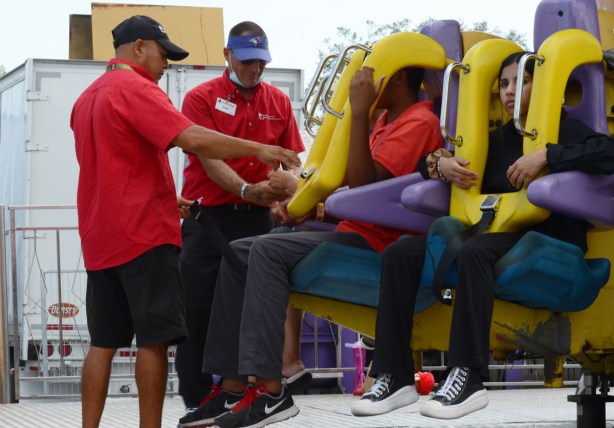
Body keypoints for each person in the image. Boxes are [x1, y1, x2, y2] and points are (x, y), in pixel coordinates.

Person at [350, 51, 614, 420]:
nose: (508, 92)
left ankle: (468, 377)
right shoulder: (495, 139)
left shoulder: (563, 128)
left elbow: (607, 152)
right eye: (503, 84)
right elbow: (425, 165)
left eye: (520, 82)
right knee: (402, 253)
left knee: (475, 251)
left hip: (549, 239)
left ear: (544, 88)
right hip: (495, 234)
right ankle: (394, 375)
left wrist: (547, 157)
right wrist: (439, 164)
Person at [178, 63, 444, 428]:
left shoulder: (418, 122)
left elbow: (365, 186)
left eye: (373, 75)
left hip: (378, 242)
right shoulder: (385, 123)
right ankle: (234, 386)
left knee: (266, 251)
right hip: (353, 230)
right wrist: (308, 209)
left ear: (398, 77)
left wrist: (360, 110)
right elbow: (352, 190)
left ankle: (271, 392)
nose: (362, 84)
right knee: (239, 249)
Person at [70, 15, 300, 428]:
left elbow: (114, 165)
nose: (166, 65)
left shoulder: (86, 97)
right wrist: (260, 150)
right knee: (155, 342)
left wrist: (164, 196)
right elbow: (191, 139)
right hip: (144, 236)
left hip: (101, 236)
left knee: (102, 343)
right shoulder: (137, 89)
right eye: (163, 54)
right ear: (138, 48)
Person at [175, 21, 306, 412]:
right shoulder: (200, 99)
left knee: (251, 310)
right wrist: (248, 190)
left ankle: (240, 392)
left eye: (261, 62)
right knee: (197, 309)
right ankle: (197, 399)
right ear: (227, 55)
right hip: (207, 218)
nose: (255, 69)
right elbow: (209, 158)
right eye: (247, 61)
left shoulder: (279, 102)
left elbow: (294, 161)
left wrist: (287, 185)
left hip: (257, 222)